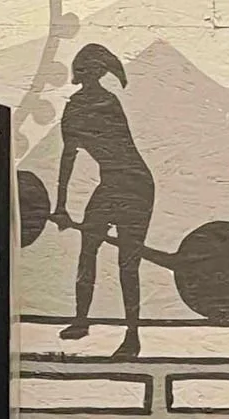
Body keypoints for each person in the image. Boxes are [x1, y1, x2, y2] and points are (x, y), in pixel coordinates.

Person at [55, 43, 156, 360]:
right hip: (111, 183)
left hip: (134, 184)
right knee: (88, 248)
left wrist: (62, 205)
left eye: (89, 70)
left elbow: (82, 152)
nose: (85, 76)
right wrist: (61, 206)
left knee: (128, 263)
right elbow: (67, 159)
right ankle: (82, 320)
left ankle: (132, 335)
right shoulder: (76, 108)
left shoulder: (105, 104)